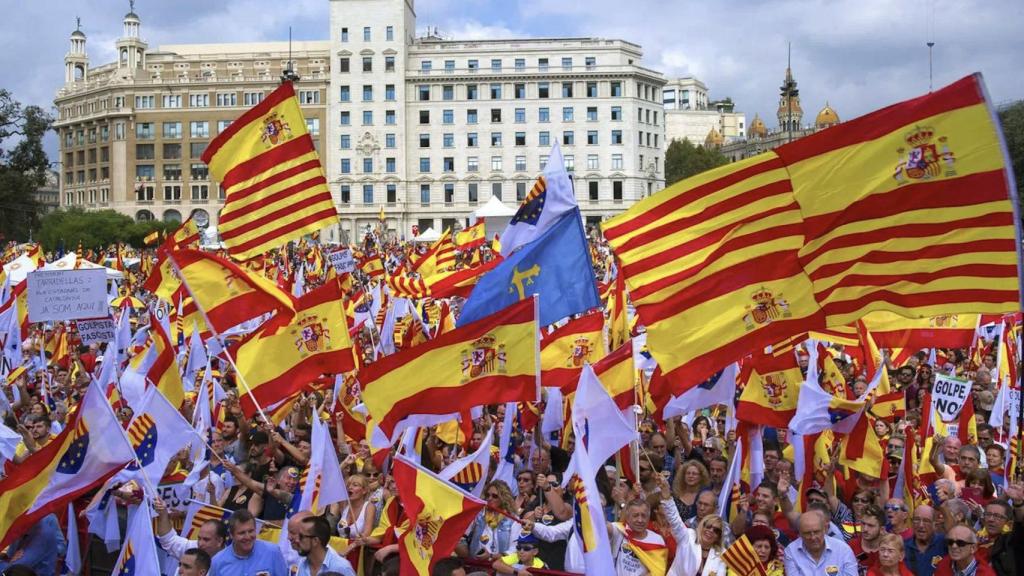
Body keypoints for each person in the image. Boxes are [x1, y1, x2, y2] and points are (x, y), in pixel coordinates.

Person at [209, 509, 288, 576]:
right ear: (231, 535)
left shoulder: (273, 552)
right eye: (242, 533)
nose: (247, 537)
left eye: (251, 531)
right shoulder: (218, 562)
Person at [783, 510, 858, 576]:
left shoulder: (843, 550)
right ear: (799, 533)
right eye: (807, 533)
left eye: (816, 532)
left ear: (825, 530)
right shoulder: (791, 551)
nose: (813, 537)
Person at [154, 496, 227, 560]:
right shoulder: (195, 548)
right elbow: (169, 541)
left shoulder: (231, 566)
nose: (200, 543)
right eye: (199, 538)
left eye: (206, 539)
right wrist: (163, 513)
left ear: (220, 541)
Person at [903, 505, 946, 576]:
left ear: (934, 524)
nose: (921, 525)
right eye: (917, 519)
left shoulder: (944, 543)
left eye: (926, 521)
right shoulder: (903, 547)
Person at [850, 504, 886, 572]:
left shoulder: (889, 549)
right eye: (863, 524)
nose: (865, 529)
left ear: (882, 529)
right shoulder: (851, 547)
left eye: (871, 525)